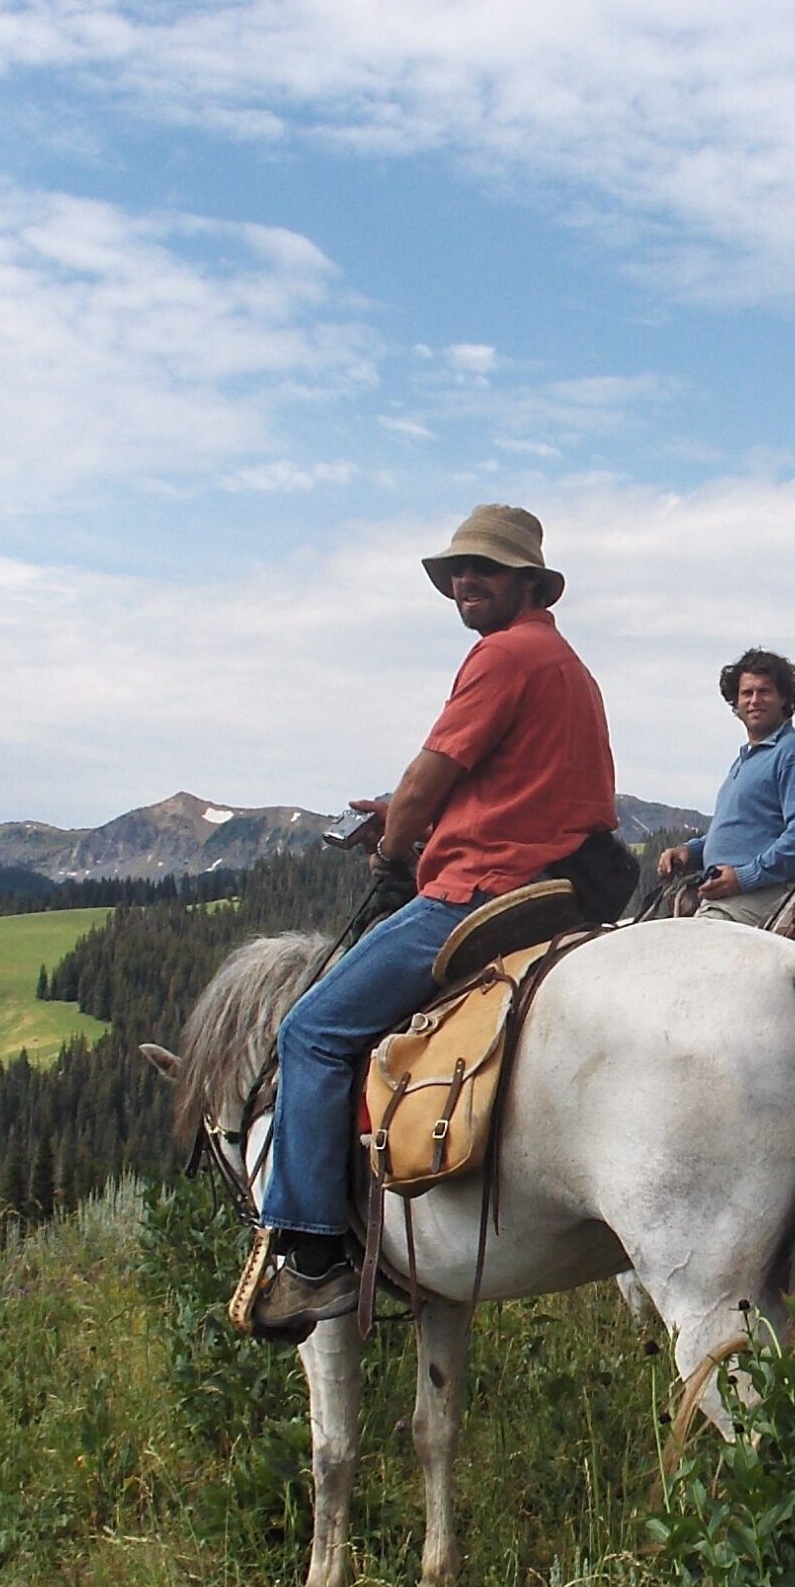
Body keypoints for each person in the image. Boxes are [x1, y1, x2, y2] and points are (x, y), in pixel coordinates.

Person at [243, 503, 618, 1338]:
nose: (465, 582)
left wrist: (398, 838)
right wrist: (416, 816)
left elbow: (430, 775)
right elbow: (513, 788)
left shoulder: (502, 655)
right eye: (456, 572)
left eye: (483, 569)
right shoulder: (567, 665)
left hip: (482, 890)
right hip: (555, 883)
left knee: (311, 1030)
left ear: (528, 582)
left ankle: (309, 1257)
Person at [655, 648, 795, 928]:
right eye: (747, 693)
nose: (755, 701)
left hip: (766, 894)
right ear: (735, 702)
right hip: (730, 894)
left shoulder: (794, 753)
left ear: (784, 698)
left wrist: (744, 877)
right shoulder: (746, 760)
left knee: (692, 952)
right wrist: (691, 852)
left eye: (765, 692)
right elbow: (743, 830)